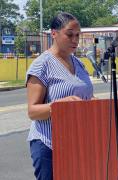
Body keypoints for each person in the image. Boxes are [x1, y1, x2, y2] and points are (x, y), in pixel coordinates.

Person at [26, 12, 94, 180]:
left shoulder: (79, 63)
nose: (75, 40)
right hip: (49, 145)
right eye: (69, 34)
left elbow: (84, 96)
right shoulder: (41, 65)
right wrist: (60, 105)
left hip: (77, 143)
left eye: (78, 35)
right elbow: (33, 111)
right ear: (54, 33)